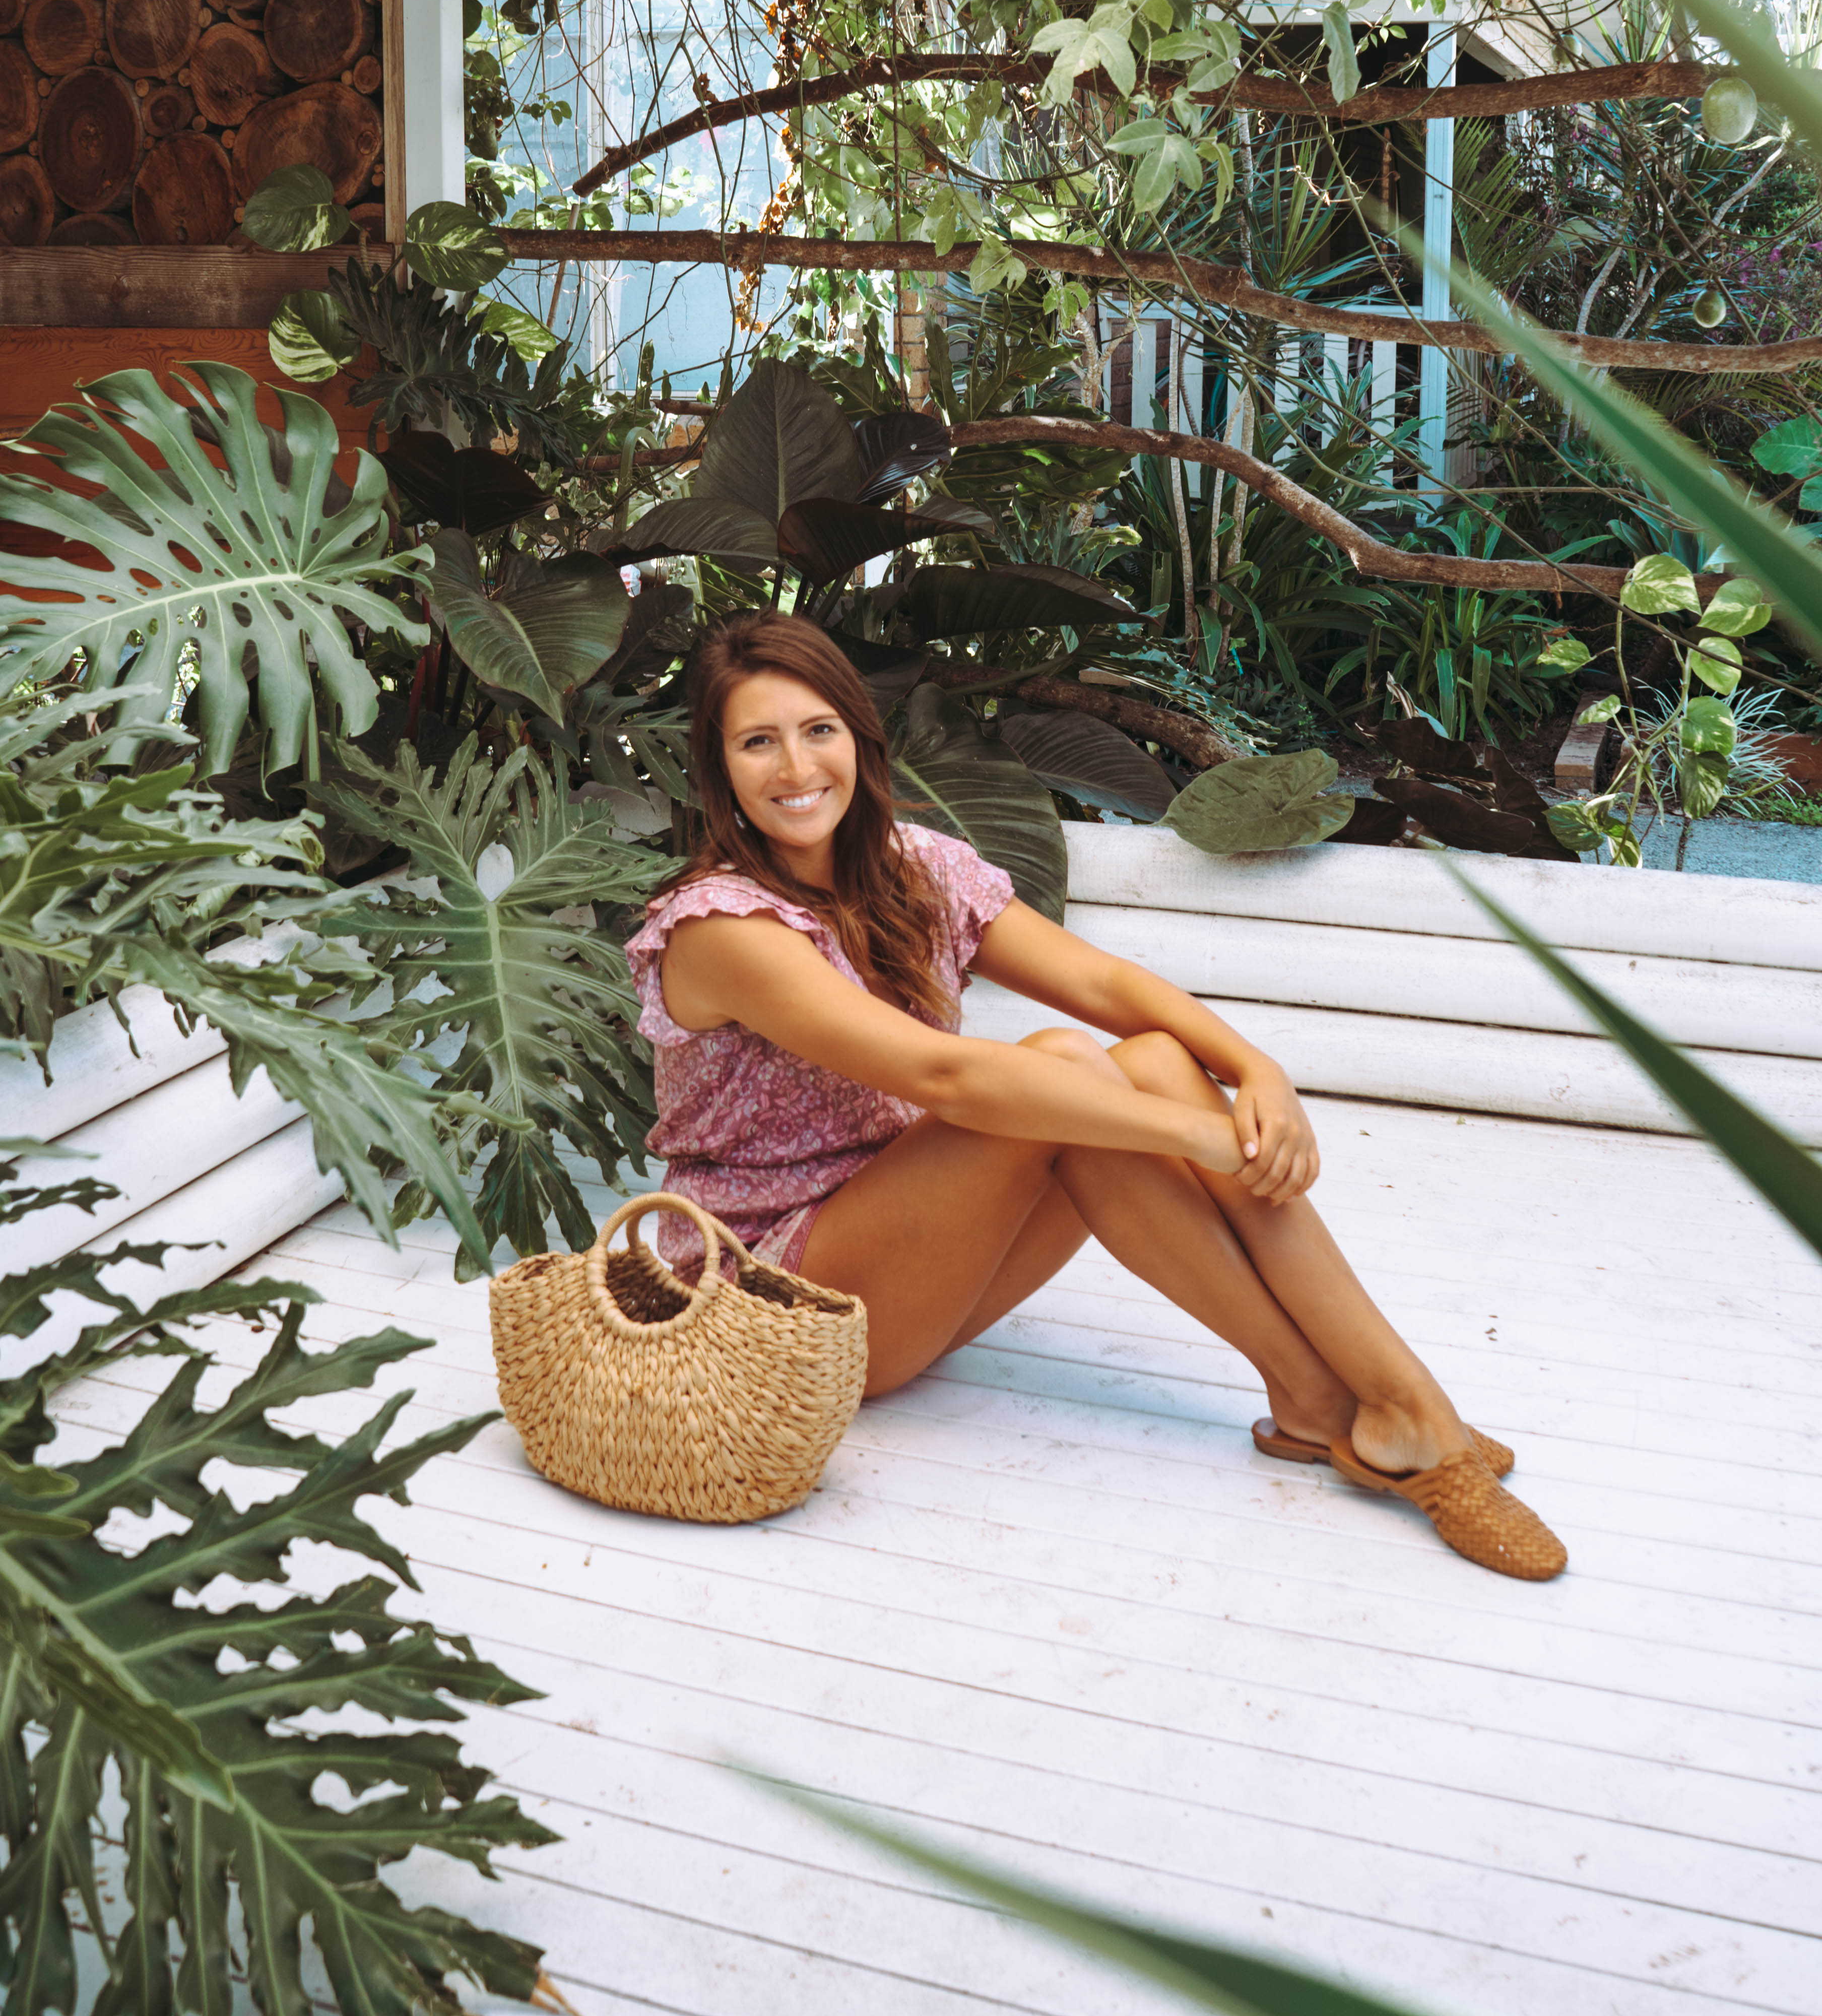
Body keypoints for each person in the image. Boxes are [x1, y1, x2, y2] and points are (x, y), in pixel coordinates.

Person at [625, 612, 1566, 1582]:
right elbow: (943, 1076)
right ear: (720, 771)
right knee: (1069, 1074)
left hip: (913, 1249)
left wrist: (1256, 1073)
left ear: (859, 738)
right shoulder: (721, 928)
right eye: (757, 742)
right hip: (776, 1295)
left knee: (1154, 1055)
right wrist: (1199, 1140)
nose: (795, 766)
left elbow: (1108, 984)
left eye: (817, 729)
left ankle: (1363, 1401)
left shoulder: (910, 868)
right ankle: (1378, 1412)